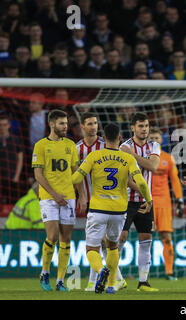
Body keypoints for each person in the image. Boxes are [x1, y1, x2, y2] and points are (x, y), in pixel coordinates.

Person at [72, 123, 152, 294]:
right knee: (113, 247)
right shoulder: (128, 158)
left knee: (92, 249)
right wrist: (148, 199)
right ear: (120, 138)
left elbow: (77, 177)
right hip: (119, 211)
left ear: (104, 138)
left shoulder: (94, 155)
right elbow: (141, 182)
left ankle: (101, 271)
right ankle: (110, 286)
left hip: (98, 210)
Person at [32, 109, 87, 292]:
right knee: (53, 236)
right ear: (52, 124)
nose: (65, 126)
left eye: (66, 123)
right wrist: (54, 194)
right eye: (62, 123)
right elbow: (38, 174)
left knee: (66, 239)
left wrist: (82, 195)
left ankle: (61, 280)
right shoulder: (40, 145)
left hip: (69, 197)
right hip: (49, 197)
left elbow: (75, 171)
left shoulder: (70, 145)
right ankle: (45, 272)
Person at [117, 112, 161, 292]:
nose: (144, 129)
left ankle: (143, 282)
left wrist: (133, 155)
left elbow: (153, 166)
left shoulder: (153, 145)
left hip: (146, 201)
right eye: (141, 126)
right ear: (133, 128)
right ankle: (115, 277)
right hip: (126, 200)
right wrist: (141, 188)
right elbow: (123, 177)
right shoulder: (123, 147)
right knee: (121, 238)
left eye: (146, 126)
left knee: (146, 239)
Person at [76, 112, 107, 292]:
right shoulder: (77, 148)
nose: (93, 126)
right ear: (82, 126)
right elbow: (77, 175)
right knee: (97, 243)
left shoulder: (105, 146)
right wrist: (81, 195)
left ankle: (98, 280)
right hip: (90, 201)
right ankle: (102, 279)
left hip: (106, 201)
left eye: (95, 123)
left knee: (99, 243)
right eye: (89, 123)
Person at [148, 127, 183, 281]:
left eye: (157, 138)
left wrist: (179, 199)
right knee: (145, 238)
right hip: (147, 201)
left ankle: (169, 272)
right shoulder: (143, 157)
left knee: (166, 237)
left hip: (164, 202)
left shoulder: (168, 158)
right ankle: (144, 274)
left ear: (161, 139)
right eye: (152, 139)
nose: (154, 141)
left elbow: (175, 180)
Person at [0, 113, 23, 204]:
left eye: (4, 125)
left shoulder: (16, 139)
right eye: (0, 125)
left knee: (11, 204)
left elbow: (20, 159)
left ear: (9, 125)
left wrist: (16, 176)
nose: (2, 127)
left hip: (12, 177)